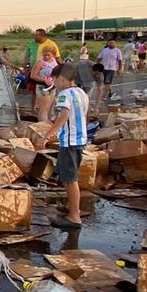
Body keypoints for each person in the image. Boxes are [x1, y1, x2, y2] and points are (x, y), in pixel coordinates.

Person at [44, 63, 88, 228]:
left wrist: (48, 135)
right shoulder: (81, 93)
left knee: (70, 179)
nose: (53, 82)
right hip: (80, 139)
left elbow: (63, 116)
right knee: (71, 176)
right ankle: (70, 206)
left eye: (54, 79)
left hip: (69, 141)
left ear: (61, 79)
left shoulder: (64, 95)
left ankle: (74, 216)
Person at [24, 29, 61, 93]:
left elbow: (58, 58)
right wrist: (26, 67)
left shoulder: (51, 44)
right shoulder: (32, 44)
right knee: (34, 92)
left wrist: (60, 69)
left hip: (49, 75)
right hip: (33, 70)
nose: (34, 37)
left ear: (42, 36)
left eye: (36, 35)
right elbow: (27, 57)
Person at [30, 48, 58, 123]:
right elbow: (33, 75)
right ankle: (42, 124)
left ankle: (48, 124)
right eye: (44, 55)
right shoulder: (39, 63)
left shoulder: (54, 62)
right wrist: (44, 80)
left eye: (48, 55)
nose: (46, 57)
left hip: (52, 86)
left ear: (53, 55)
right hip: (43, 86)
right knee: (44, 108)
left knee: (49, 108)